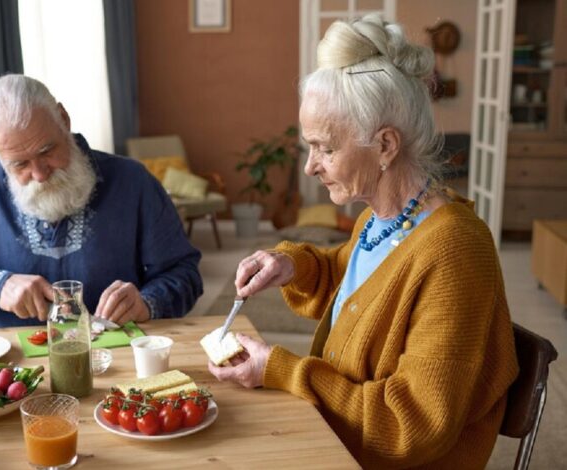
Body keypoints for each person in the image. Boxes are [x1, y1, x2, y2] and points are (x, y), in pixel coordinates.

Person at [208, 16, 519, 469]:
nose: (311, 167)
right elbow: (353, 276)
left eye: (325, 148)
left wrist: (280, 369)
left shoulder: (456, 252)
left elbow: (409, 424)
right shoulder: (381, 219)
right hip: (335, 439)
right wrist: (291, 264)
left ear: (385, 145)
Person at [0, 74, 203, 328]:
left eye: (46, 151)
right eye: (18, 164)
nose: (39, 174)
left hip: (119, 365)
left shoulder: (133, 181)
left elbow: (184, 274)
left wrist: (148, 302)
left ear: (63, 119)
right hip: (13, 376)